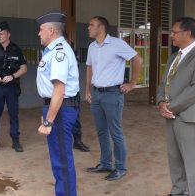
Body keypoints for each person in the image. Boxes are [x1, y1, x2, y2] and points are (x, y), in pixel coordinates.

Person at [157, 17, 195, 196]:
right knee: (175, 159)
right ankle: (178, 191)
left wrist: (171, 107)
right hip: (171, 115)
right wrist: (161, 102)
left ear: (188, 33)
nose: (171, 36)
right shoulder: (175, 56)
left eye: (175, 32)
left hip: (190, 117)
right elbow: (163, 82)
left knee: (192, 161)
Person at [85, 16, 142, 181]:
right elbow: (89, 67)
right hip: (96, 94)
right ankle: (105, 163)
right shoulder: (92, 46)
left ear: (101, 27)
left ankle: (121, 167)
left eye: (91, 25)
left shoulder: (117, 43)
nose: (88, 27)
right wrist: (88, 89)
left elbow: (138, 60)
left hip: (112, 94)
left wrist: (132, 83)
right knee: (102, 130)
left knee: (116, 132)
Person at [36, 10, 79, 196]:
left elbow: (59, 90)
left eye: (41, 30)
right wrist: (47, 111)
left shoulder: (59, 52)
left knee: (61, 160)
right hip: (56, 108)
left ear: (51, 31)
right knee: (59, 158)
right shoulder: (53, 51)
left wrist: (49, 120)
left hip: (61, 110)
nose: (39, 33)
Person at [0, 21, 27, 153]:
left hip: (12, 87)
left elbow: (24, 68)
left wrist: (13, 76)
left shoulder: (16, 49)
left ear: (9, 34)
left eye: (2, 34)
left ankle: (15, 141)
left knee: (14, 114)